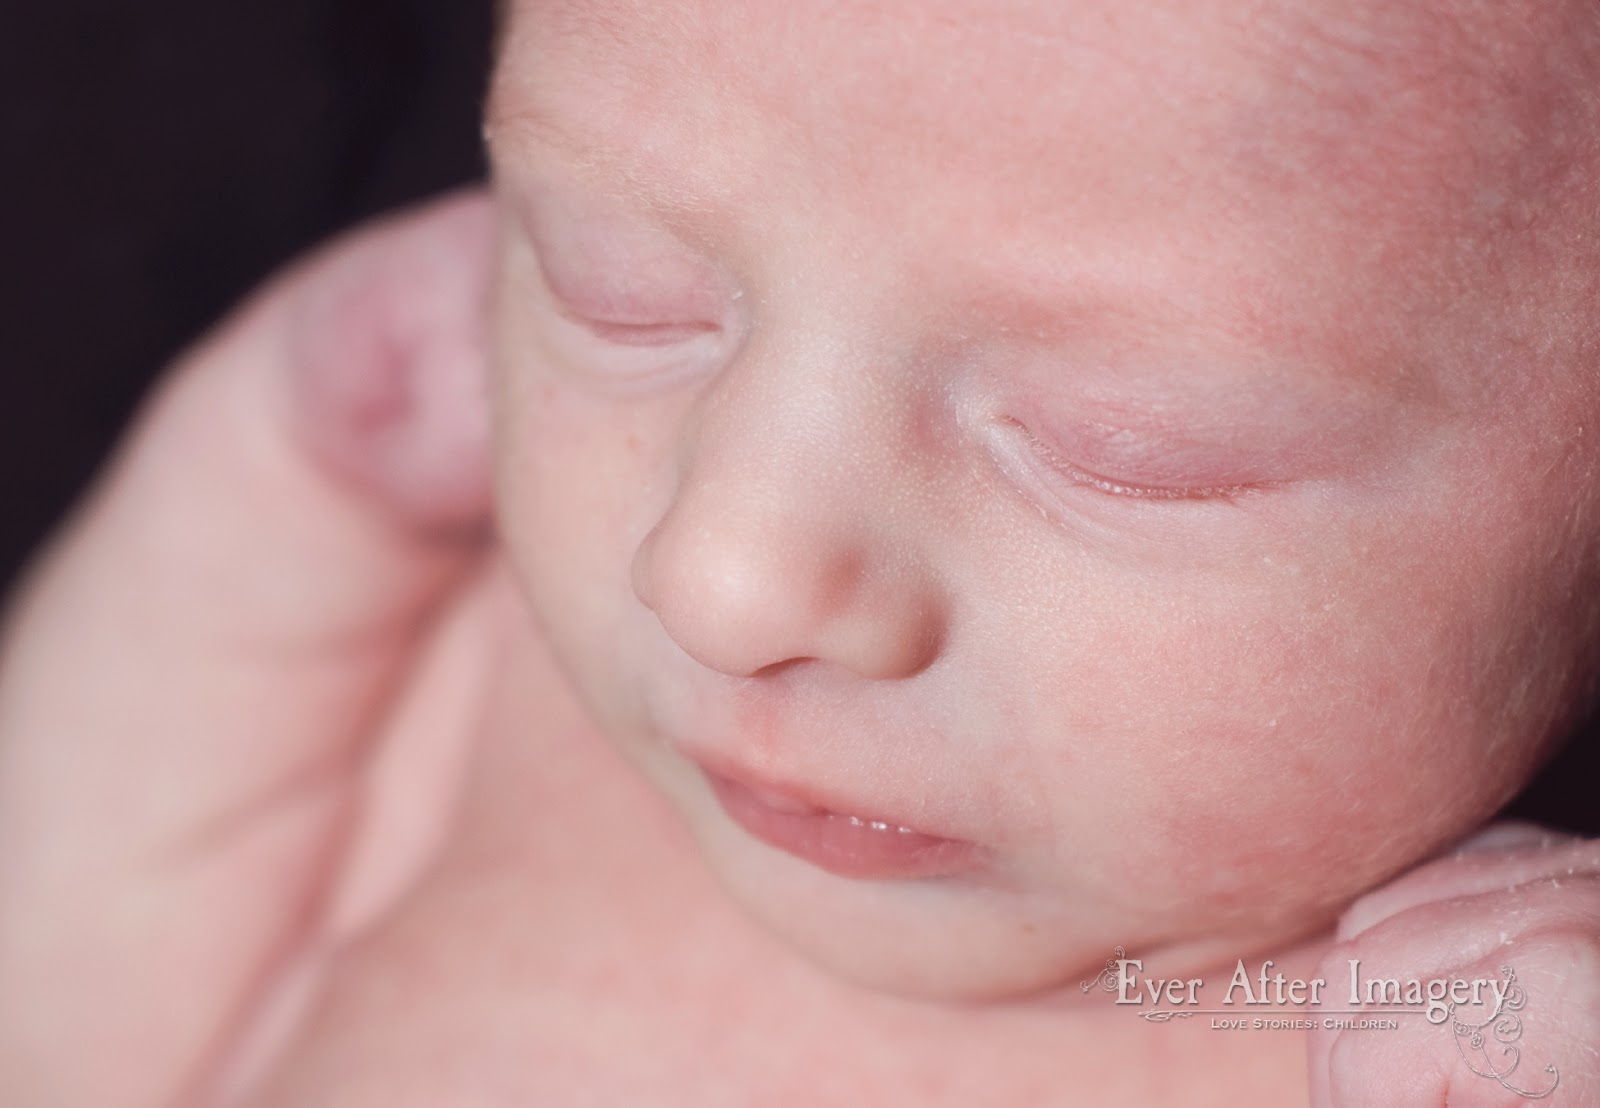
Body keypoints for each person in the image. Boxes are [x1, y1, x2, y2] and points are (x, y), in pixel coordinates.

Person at [2, 0, 1598, 1104]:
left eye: (1121, 445)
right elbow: (62, 1044)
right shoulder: (524, 713)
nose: (723, 577)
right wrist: (263, 496)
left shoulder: (1428, 1030)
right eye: (618, 291)